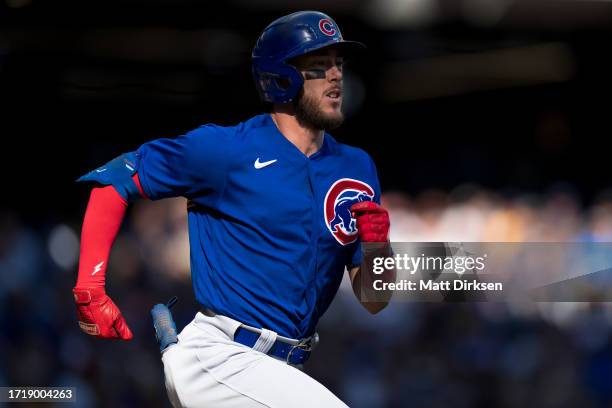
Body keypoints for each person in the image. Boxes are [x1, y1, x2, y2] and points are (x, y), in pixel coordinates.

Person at [73, 10, 392, 408]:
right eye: (318, 66)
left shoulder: (356, 167)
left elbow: (376, 300)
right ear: (282, 78)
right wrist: (90, 286)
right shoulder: (226, 150)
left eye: (338, 64)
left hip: (283, 370)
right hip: (220, 356)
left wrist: (378, 249)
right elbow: (114, 182)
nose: (335, 75)